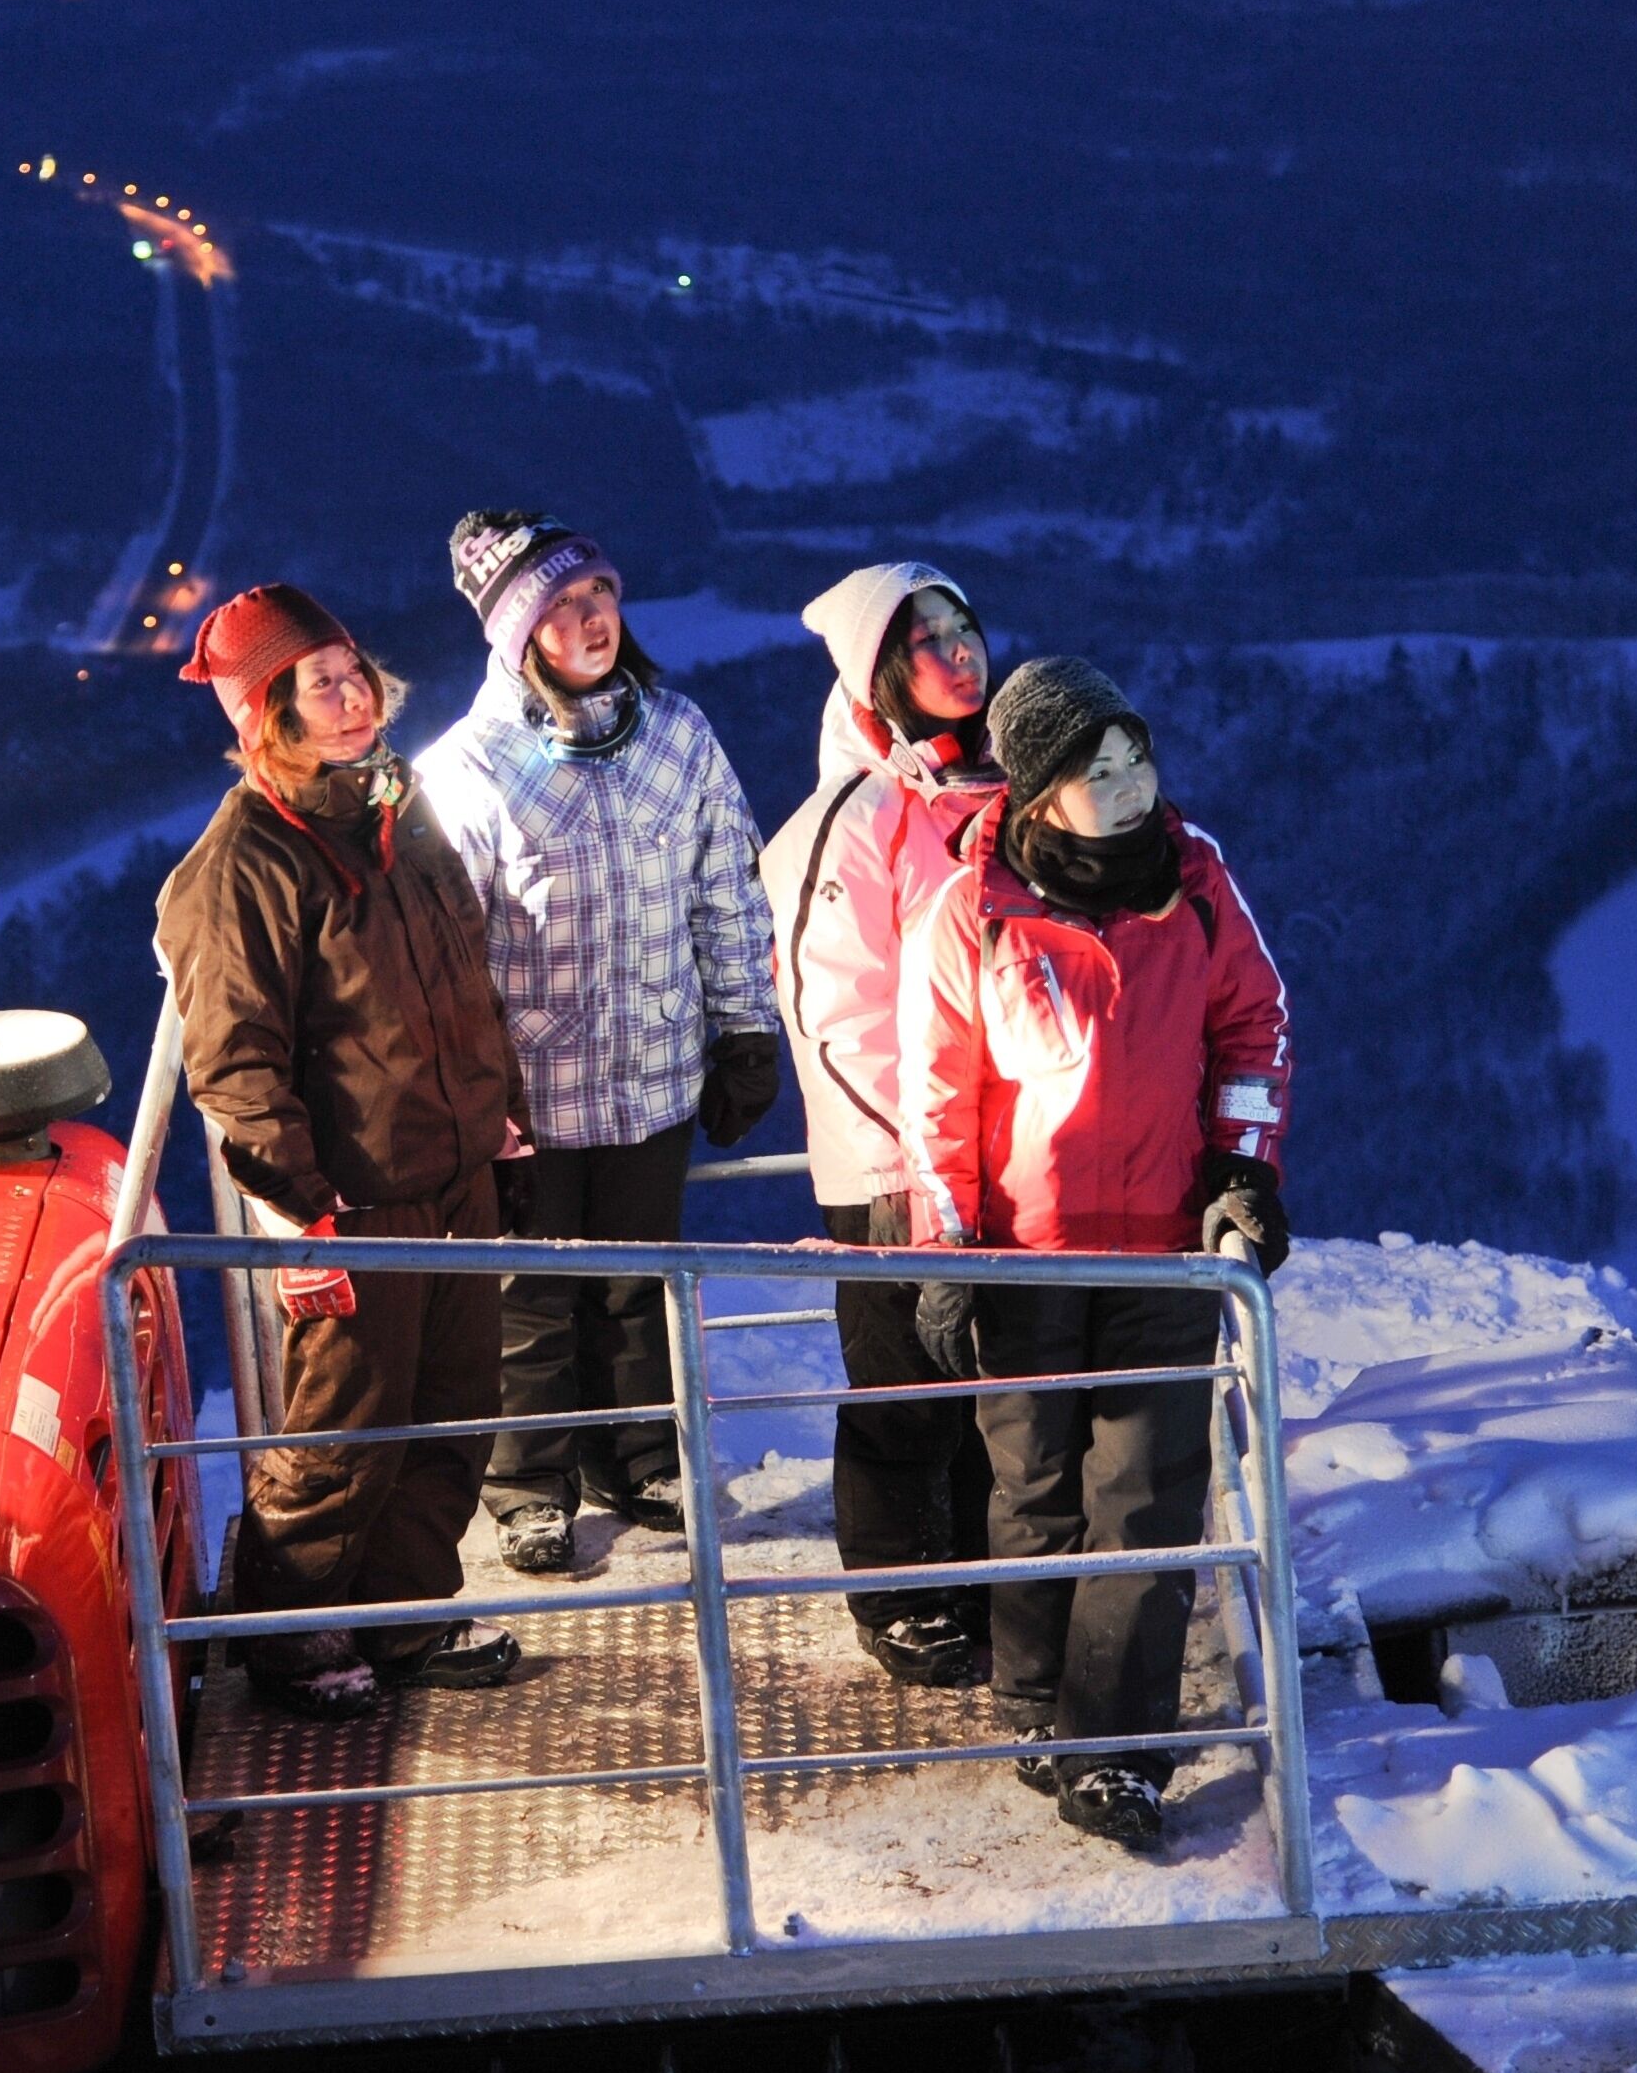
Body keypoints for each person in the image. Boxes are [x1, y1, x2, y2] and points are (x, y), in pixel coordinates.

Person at [898, 658, 1291, 1853]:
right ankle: (1034, 1704)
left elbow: (1253, 1028)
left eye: (1134, 762)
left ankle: (1115, 1750)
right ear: (1034, 790)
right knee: (1031, 1490)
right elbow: (937, 1091)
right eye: (1091, 772)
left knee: (1143, 1503)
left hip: (1164, 1250)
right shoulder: (971, 907)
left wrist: (1240, 1172)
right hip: (1028, 1253)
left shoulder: (1198, 883)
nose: (1124, 789)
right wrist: (947, 1247)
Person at [157, 582, 531, 1719]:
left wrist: (494, 1112)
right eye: (316, 681)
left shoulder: (396, 809)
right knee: (346, 1427)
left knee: (455, 1402)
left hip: (454, 1173)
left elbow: (460, 972)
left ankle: (405, 1616)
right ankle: (292, 1635)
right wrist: (293, 1218)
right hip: (355, 1202)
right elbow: (234, 1064)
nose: (350, 693)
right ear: (262, 710)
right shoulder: (242, 867)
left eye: (352, 669)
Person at [420, 512, 781, 1577]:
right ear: (515, 635)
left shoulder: (676, 733)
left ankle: (638, 1454)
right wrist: (480, 1103)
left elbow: (727, 891)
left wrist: (745, 1028)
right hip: (529, 1098)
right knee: (530, 1294)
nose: (589, 622)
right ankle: (529, 1481)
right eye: (560, 608)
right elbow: (449, 956)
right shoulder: (473, 767)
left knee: (637, 1282)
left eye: (599, 598)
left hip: (656, 1070)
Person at [759, 564, 1004, 1688]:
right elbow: (835, 1014)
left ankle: (979, 1570)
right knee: (905, 1378)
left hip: (996, 1153)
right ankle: (900, 1587)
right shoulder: (853, 818)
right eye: (926, 641)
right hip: (891, 1165)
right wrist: (906, 1169)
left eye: (964, 628)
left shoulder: (996, 787)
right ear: (877, 675)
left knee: (992, 1375)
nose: (959, 652)